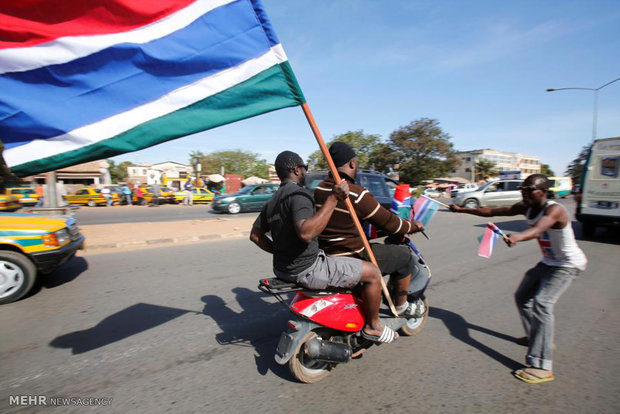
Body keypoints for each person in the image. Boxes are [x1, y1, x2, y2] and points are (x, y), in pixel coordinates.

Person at [450, 174, 587, 384]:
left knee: (542, 303)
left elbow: (539, 229)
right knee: (523, 296)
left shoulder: (554, 209)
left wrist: (518, 236)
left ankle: (542, 365)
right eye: (523, 188)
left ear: (543, 191)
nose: (524, 192)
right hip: (549, 262)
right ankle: (537, 337)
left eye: (530, 189)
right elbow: (491, 211)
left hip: (567, 264)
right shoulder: (527, 206)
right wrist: (462, 210)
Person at [250, 151, 398, 344]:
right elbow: (306, 233)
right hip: (308, 269)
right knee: (372, 272)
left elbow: (255, 235)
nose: (305, 172)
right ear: (297, 169)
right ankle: (373, 326)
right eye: (305, 168)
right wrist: (333, 199)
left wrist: (279, 250)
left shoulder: (273, 200)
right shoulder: (299, 195)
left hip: (282, 269)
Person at [314, 142, 427, 318]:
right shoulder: (355, 194)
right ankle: (401, 306)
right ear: (352, 163)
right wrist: (413, 226)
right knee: (404, 256)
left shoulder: (319, 188)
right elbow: (391, 224)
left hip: (328, 252)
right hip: (353, 254)